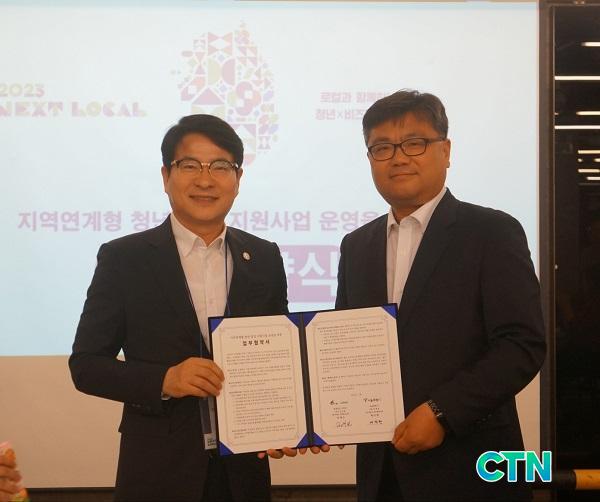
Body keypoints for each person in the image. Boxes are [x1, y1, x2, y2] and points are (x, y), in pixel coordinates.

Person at [70, 114, 297, 501]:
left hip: (243, 474)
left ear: (238, 179)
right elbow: (86, 365)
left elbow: (279, 356)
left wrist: (286, 422)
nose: (205, 180)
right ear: (166, 176)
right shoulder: (125, 259)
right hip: (158, 472)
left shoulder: (263, 257)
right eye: (190, 165)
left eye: (220, 166)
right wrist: (165, 380)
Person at [335, 90, 546, 501]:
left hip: (471, 467)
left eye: (414, 143)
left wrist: (441, 412)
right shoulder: (356, 246)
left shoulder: (492, 232)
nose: (398, 158)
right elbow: (344, 345)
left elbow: (522, 345)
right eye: (382, 147)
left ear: (445, 151)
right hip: (382, 472)